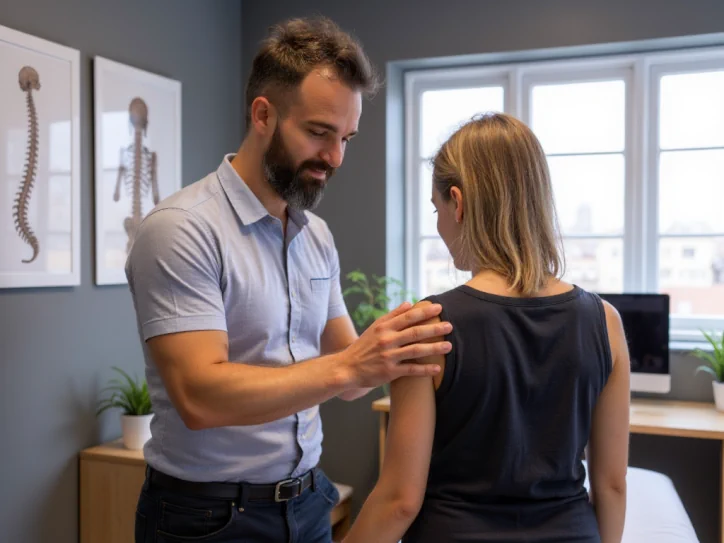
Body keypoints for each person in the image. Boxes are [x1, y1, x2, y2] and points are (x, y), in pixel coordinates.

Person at [125, 16, 452, 543]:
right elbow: (199, 396)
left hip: (306, 503)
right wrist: (351, 365)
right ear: (263, 114)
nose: (336, 157)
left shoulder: (315, 235)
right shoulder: (180, 230)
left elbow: (350, 368)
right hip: (208, 520)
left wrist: (401, 346)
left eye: (346, 137)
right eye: (320, 133)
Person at [343, 113, 631, 543]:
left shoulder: (428, 327)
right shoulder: (605, 322)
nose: (438, 224)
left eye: (436, 208)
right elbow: (611, 485)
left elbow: (400, 500)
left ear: (457, 202)